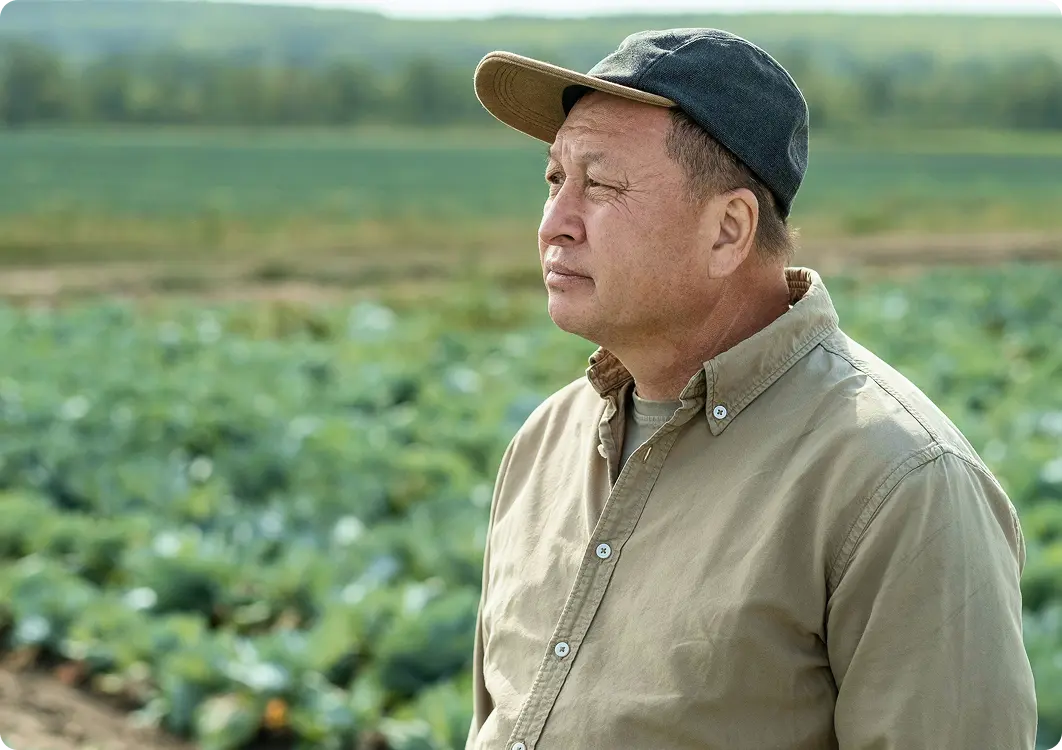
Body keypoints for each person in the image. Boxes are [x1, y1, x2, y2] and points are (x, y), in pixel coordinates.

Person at [463, 28, 1037, 750]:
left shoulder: (901, 484)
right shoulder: (543, 443)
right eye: (554, 180)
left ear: (729, 230)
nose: (553, 224)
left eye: (601, 185)